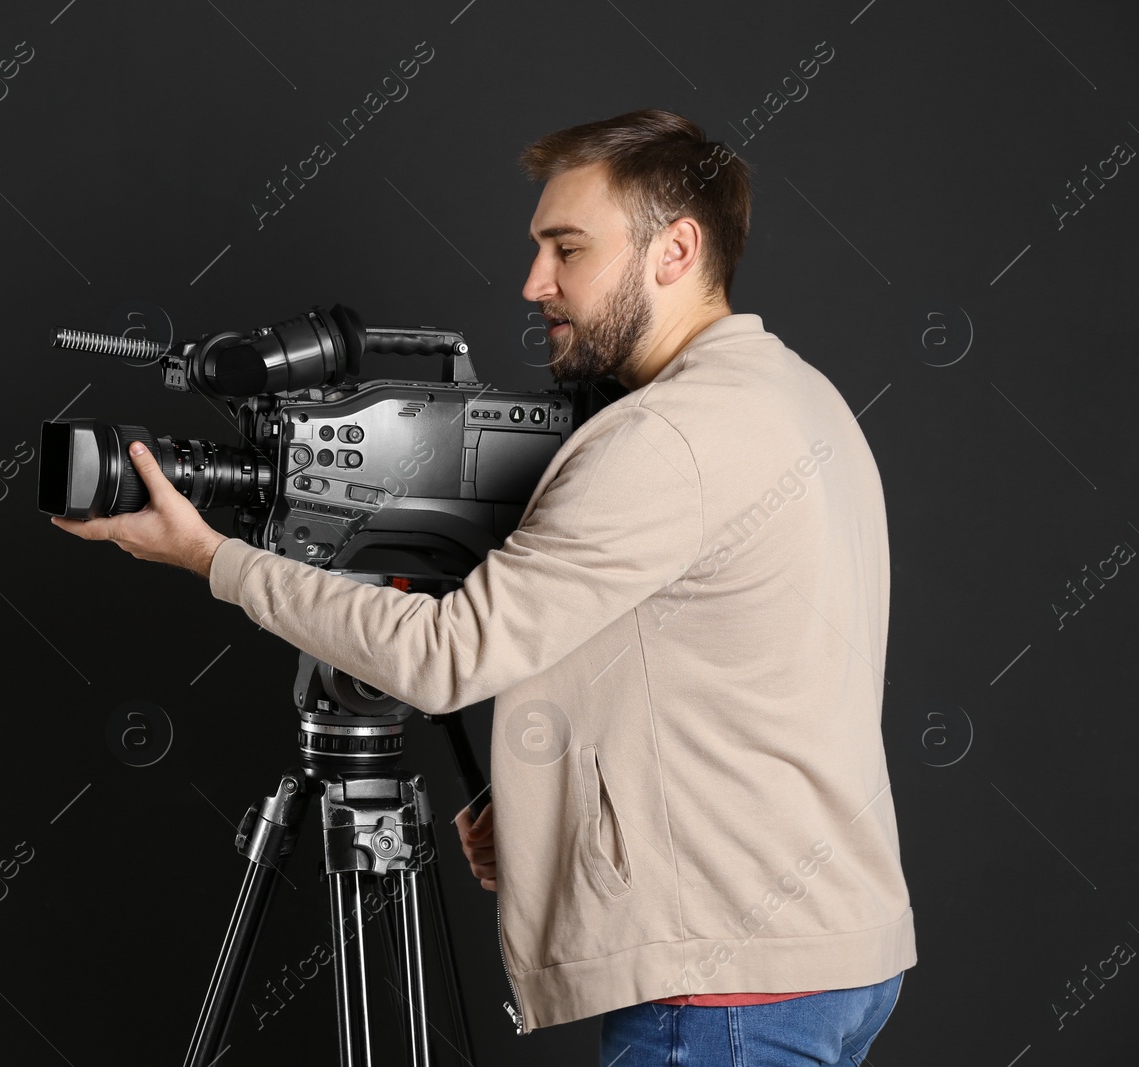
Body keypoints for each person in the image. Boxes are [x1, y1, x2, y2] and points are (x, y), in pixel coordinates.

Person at [52, 108, 915, 1065]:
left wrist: (216, 559)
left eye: (568, 248)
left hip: (725, 988)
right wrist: (560, 817)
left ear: (675, 250)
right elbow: (725, 671)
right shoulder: (794, 392)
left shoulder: (664, 438)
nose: (534, 282)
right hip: (828, 946)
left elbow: (444, 656)